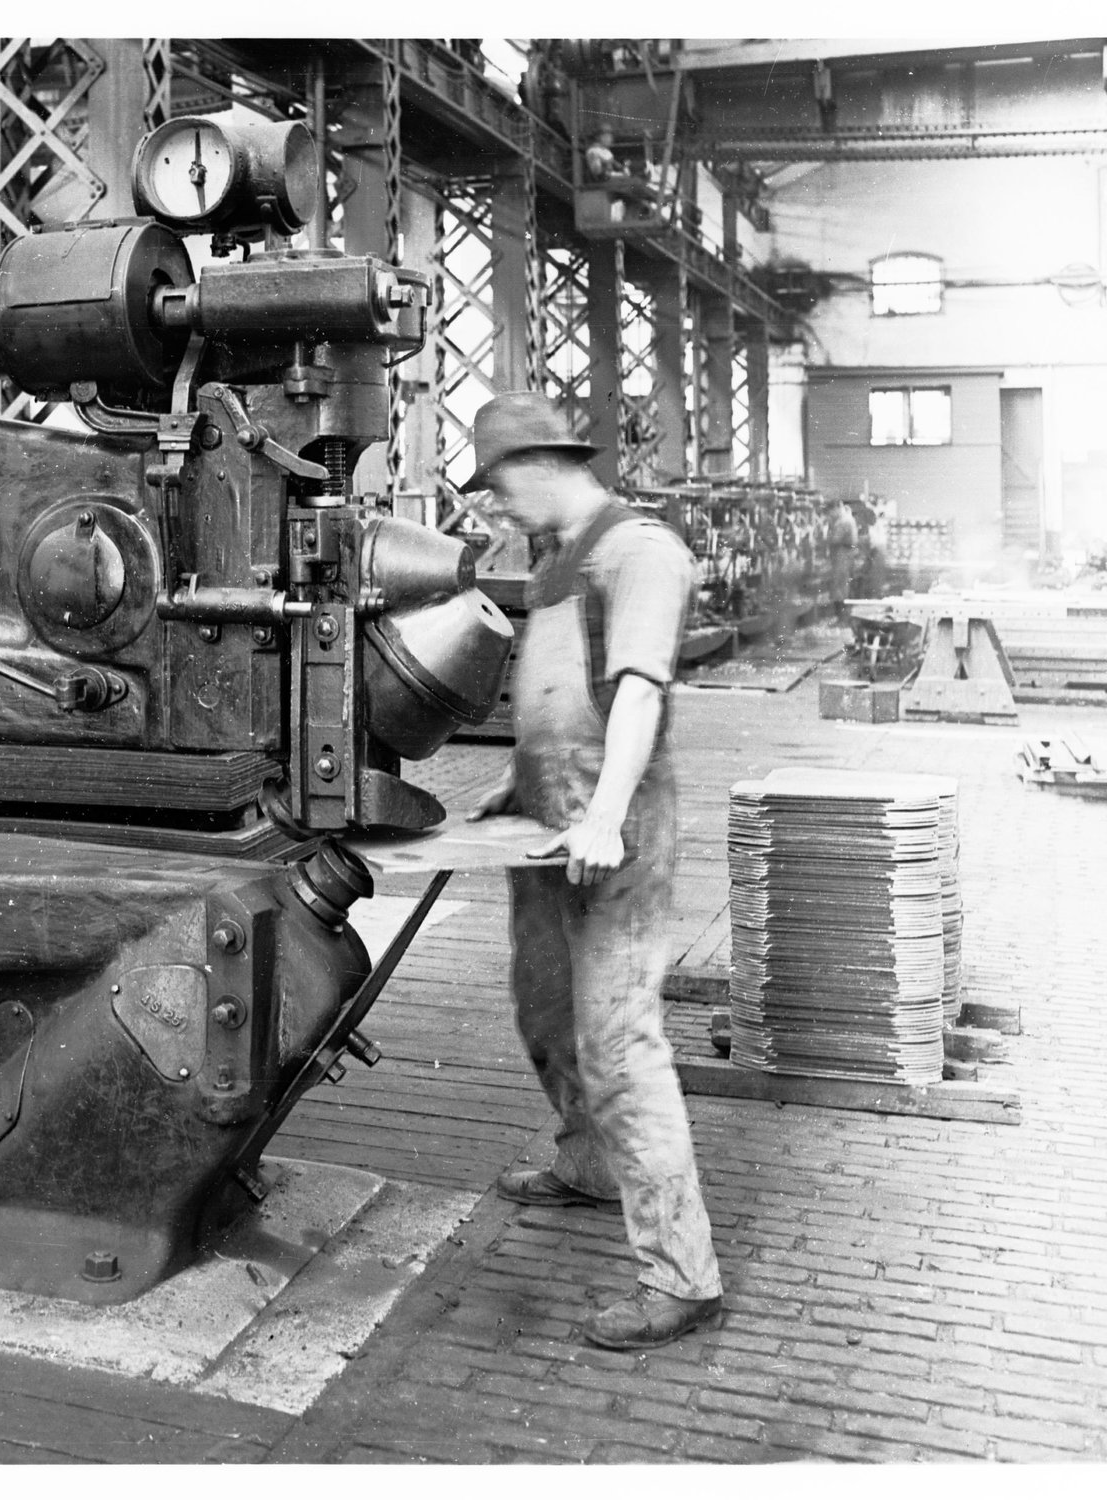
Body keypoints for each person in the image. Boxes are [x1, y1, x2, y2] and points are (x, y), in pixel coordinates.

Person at [461, 392, 725, 1351]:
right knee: (544, 1009)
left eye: (498, 487)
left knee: (618, 1045)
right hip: (547, 828)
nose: (496, 506)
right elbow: (561, 703)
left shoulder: (638, 552)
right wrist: (513, 787)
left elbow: (639, 693)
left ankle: (682, 1277)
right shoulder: (557, 562)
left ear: (538, 465)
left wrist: (605, 813)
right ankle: (586, 1164)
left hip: (614, 831)